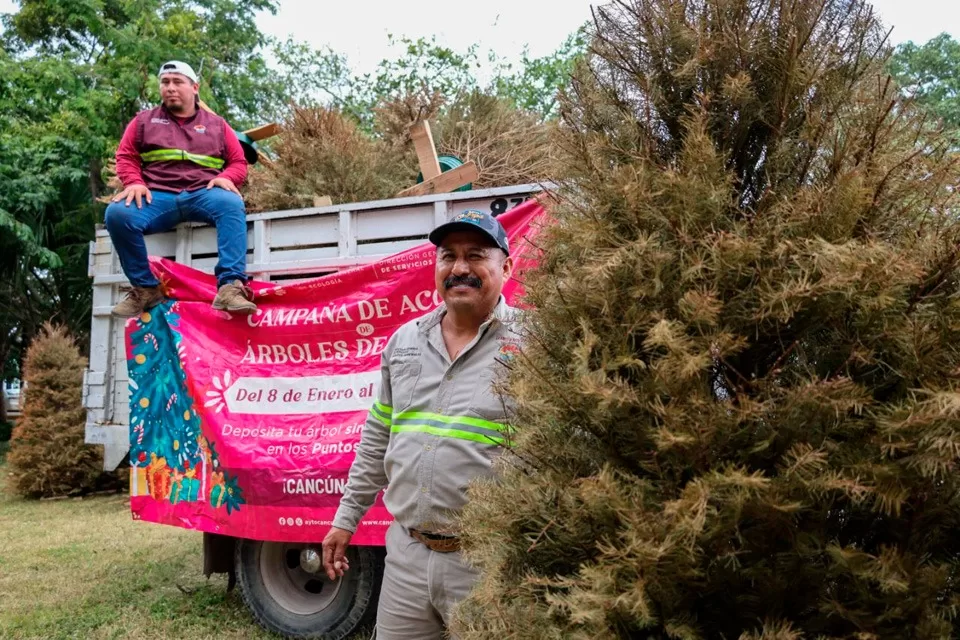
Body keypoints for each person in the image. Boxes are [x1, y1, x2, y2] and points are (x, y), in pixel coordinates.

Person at [322, 209, 520, 639]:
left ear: (506, 265)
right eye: (448, 256)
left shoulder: (535, 346)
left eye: (475, 255)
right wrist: (345, 518)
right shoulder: (405, 342)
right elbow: (377, 438)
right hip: (408, 558)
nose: (460, 268)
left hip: (490, 562)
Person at [105, 60, 256, 317]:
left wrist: (228, 177)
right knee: (117, 214)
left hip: (203, 193)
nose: (170, 88)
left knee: (231, 203)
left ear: (194, 87)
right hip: (158, 197)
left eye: (177, 82)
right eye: (165, 82)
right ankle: (145, 288)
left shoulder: (218, 125)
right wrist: (134, 182)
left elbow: (238, 161)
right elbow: (126, 156)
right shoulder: (143, 122)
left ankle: (230, 287)